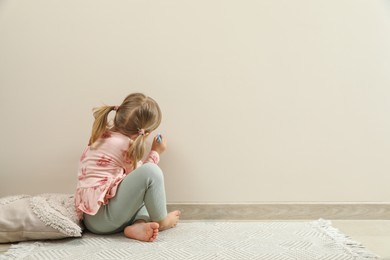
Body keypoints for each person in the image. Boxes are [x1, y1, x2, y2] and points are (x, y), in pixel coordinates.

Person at [74, 93, 180, 242]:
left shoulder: (101, 136)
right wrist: (156, 152)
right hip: (104, 219)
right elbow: (145, 175)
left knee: (143, 195)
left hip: (90, 219)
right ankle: (162, 222)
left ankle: (138, 225)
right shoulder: (125, 146)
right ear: (144, 133)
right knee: (152, 172)